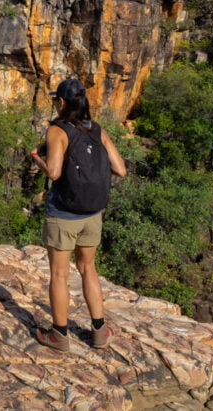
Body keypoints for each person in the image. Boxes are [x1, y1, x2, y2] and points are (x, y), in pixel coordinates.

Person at [29, 77, 126, 351]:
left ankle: (59, 335)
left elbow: (55, 172)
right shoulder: (96, 129)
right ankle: (99, 330)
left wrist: (36, 157)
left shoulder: (58, 131)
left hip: (63, 213)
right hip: (93, 213)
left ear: (61, 102)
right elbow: (121, 169)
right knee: (88, 268)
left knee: (59, 274)